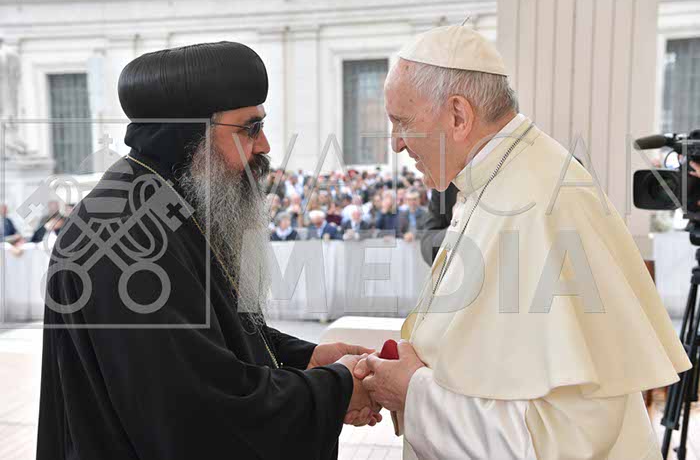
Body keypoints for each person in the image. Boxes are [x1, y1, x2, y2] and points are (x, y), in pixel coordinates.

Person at [354, 25, 690, 460]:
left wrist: (413, 390)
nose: (396, 143)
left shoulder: (539, 203)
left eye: (402, 122)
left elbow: (555, 444)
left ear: (458, 116)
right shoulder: (492, 179)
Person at [37, 41, 380, 460]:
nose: (265, 145)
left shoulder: (169, 201)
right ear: (191, 133)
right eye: (250, 128)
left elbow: (218, 335)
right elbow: (195, 414)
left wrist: (307, 359)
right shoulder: (126, 235)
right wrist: (337, 388)